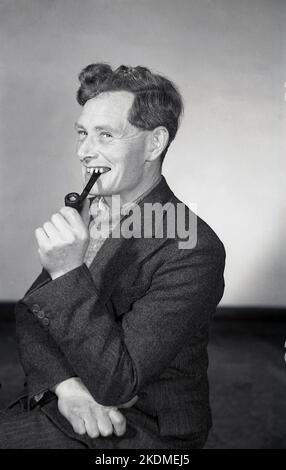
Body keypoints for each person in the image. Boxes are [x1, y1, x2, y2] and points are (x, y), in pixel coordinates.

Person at [0, 63, 225, 449]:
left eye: (106, 135)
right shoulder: (91, 210)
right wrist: (67, 388)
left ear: (154, 144)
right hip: (69, 404)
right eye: (83, 134)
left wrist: (69, 270)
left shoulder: (192, 247)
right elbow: (32, 313)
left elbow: (119, 382)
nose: (86, 152)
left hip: (141, 428)